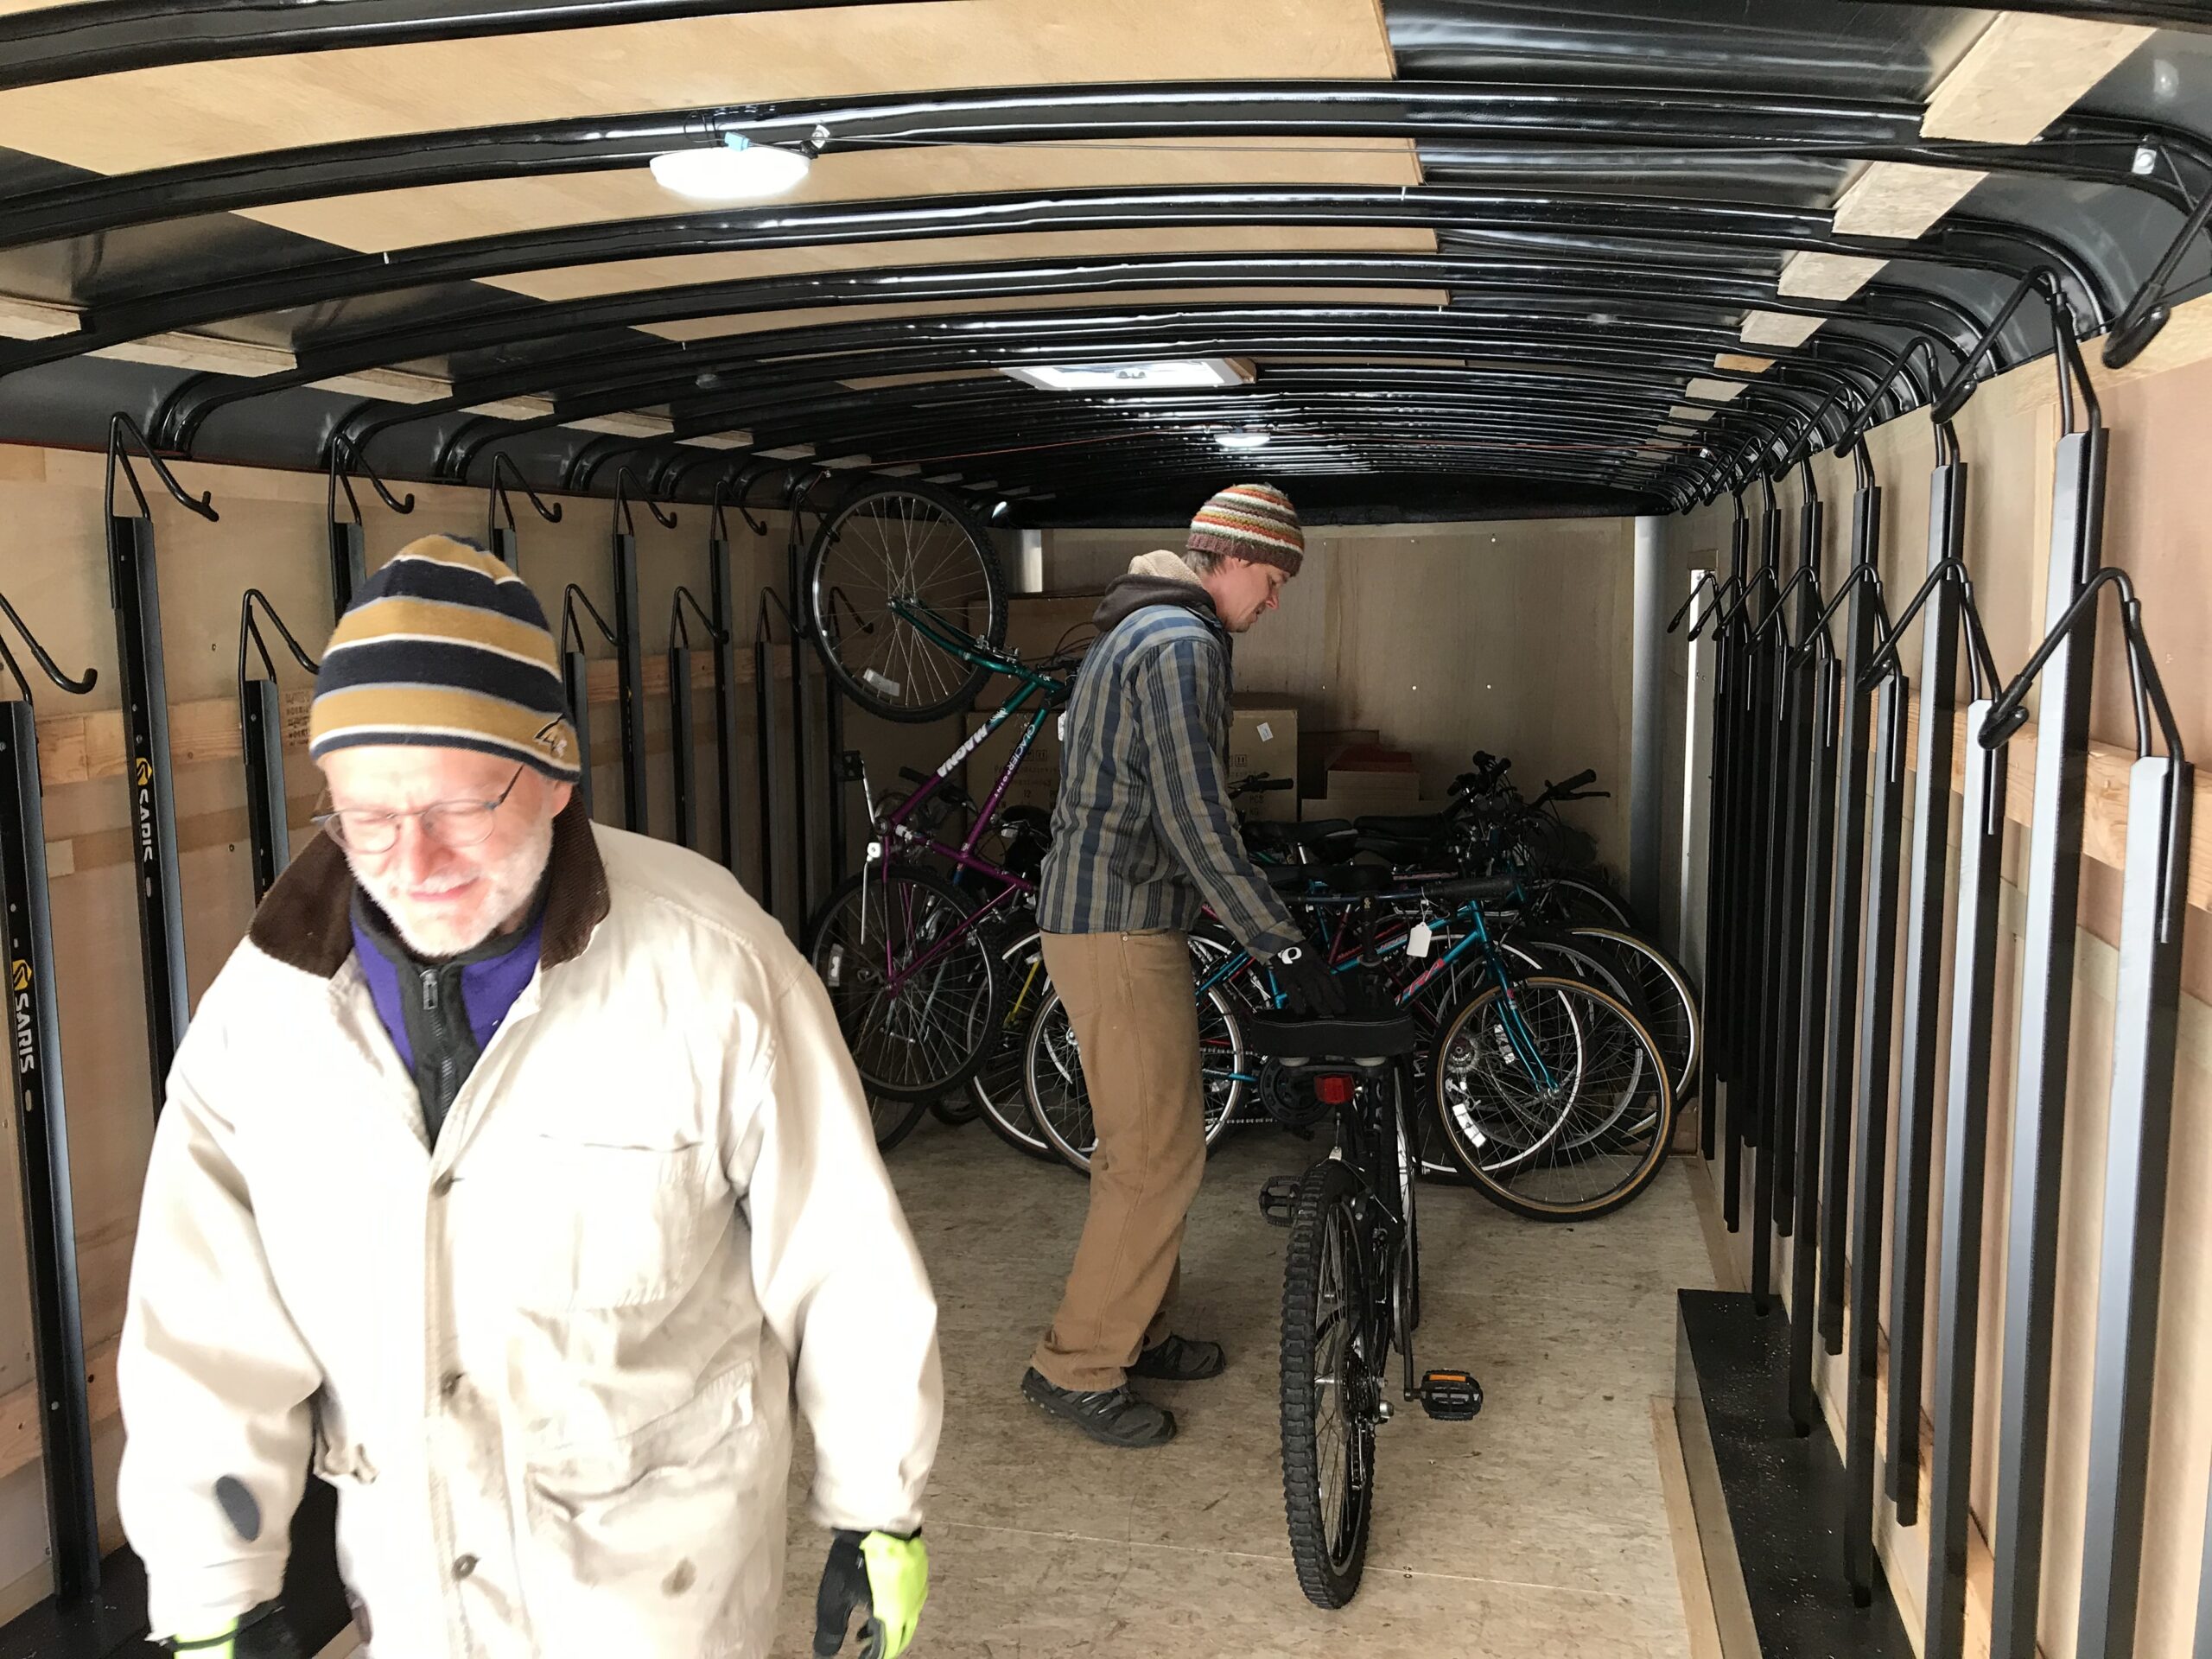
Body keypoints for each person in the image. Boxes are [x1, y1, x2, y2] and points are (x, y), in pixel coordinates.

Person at [117, 536, 941, 1658]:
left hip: (664, 1597)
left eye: (460, 805)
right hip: (415, 1604)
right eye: (365, 814)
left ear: (555, 775)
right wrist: (213, 1594)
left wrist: (875, 1508)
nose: (413, 860)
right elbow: (203, 1326)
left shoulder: (711, 967)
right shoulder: (266, 1019)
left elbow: (840, 1252)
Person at [1022, 482, 1344, 1449]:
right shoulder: (1180, 646)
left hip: (1103, 918)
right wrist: (1275, 939)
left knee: (1147, 1143)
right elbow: (1194, 817)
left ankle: (1137, 1330)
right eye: (1274, 577)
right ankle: (1075, 1369)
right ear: (1232, 558)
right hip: (1118, 927)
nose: (1274, 598)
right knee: (1157, 1154)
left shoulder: (1141, 628)